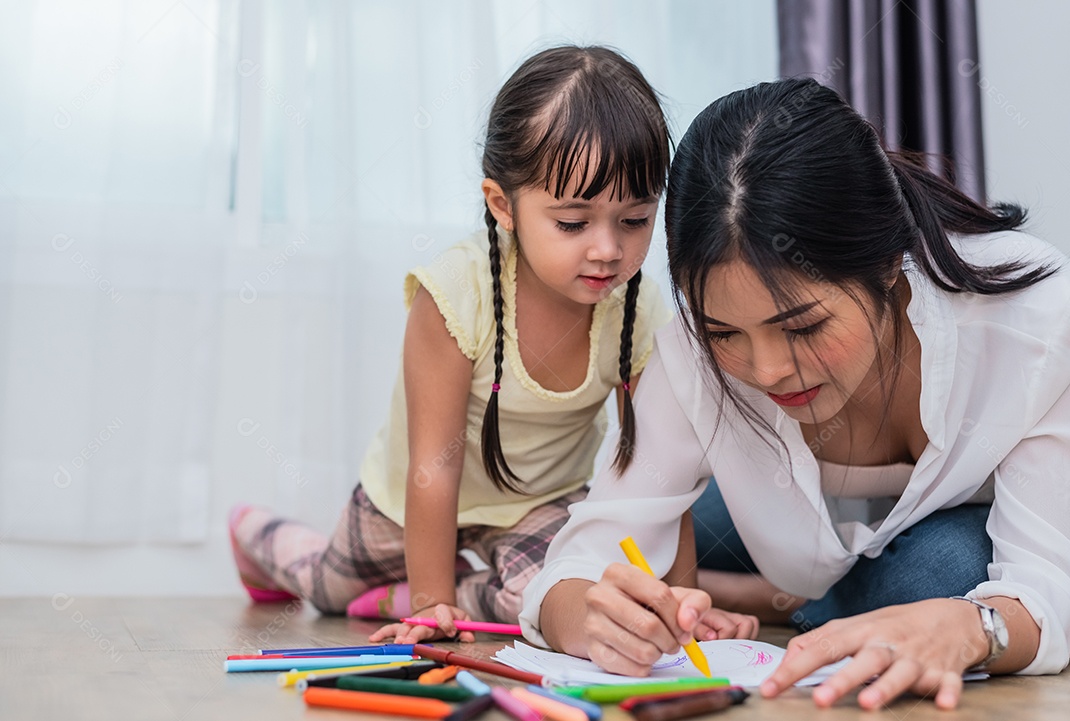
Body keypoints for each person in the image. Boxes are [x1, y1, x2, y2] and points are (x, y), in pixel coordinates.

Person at [520, 77, 1070, 710]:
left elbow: (1049, 583)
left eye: (802, 327)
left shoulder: (1033, 322)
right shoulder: (689, 354)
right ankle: (781, 595)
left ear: (887, 263)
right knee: (656, 541)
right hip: (766, 514)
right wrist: (589, 617)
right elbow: (581, 564)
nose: (766, 372)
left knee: (947, 576)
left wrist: (972, 629)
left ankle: (775, 600)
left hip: (941, 535)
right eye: (723, 332)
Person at [227, 45, 725, 645]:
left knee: (560, 598)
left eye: (634, 220)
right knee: (327, 588)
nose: (607, 250)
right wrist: (431, 608)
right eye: (573, 223)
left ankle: (423, 596)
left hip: (538, 505)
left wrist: (680, 604)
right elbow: (433, 467)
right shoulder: (454, 294)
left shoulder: (638, 312)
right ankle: (258, 535)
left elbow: (658, 472)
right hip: (411, 499)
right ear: (502, 205)